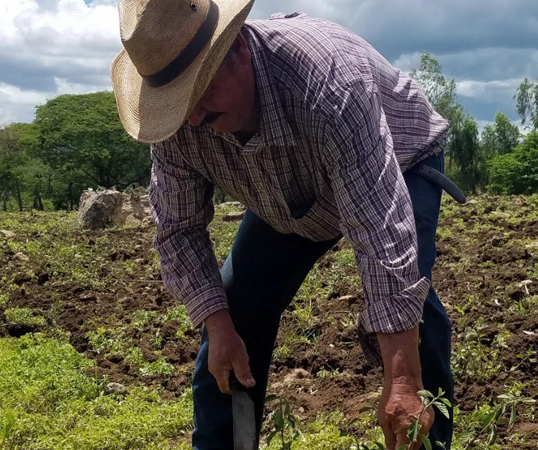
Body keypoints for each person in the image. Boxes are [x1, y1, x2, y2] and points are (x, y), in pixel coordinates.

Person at [110, 0, 460, 448]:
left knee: (414, 319)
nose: (193, 117)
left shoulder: (328, 84)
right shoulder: (180, 124)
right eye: (178, 102)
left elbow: (381, 232)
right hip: (285, 190)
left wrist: (402, 381)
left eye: (200, 92)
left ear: (236, 50)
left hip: (398, 156)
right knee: (232, 319)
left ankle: (423, 435)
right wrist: (218, 327)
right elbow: (178, 229)